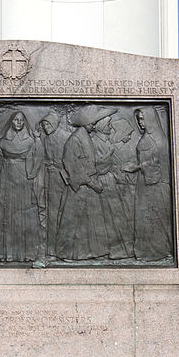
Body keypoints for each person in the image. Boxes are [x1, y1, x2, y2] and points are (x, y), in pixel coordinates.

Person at [0, 111, 44, 262]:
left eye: (21, 120)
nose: (19, 123)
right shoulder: (3, 140)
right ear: (11, 121)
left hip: (22, 176)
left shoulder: (30, 140)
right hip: (6, 176)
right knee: (6, 211)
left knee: (23, 213)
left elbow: (39, 155)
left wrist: (32, 173)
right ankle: (5, 253)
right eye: (16, 120)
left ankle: (25, 253)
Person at [55, 105, 115, 260]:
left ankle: (93, 252)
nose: (94, 126)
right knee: (73, 220)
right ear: (85, 124)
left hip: (89, 186)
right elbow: (72, 165)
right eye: (91, 123)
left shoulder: (86, 137)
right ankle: (67, 253)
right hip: (80, 187)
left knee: (92, 220)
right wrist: (91, 182)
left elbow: (89, 161)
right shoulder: (75, 139)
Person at [130, 108, 174, 262]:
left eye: (143, 119)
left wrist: (139, 166)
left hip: (156, 185)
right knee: (143, 218)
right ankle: (144, 252)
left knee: (156, 218)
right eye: (139, 119)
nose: (141, 123)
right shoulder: (145, 139)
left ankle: (159, 252)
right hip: (144, 184)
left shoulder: (160, 140)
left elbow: (161, 163)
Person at [91, 114, 133, 259]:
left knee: (117, 216)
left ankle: (122, 249)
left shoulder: (108, 142)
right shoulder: (97, 142)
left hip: (112, 181)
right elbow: (96, 164)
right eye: (108, 125)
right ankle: (112, 250)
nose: (110, 127)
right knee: (109, 216)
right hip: (103, 182)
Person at [38, 111, 71, 259]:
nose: (45, 127)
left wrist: (59, 167)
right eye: (43, 125)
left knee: (64, 213)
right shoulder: (47, 139)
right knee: (52, 213)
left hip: (64, 179)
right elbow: (45, 158)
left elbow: (71, 158)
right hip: (51, 179)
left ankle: (65, 249)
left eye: (47, 124)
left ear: (55, 123)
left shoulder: (65, 136)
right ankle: (51, 249)